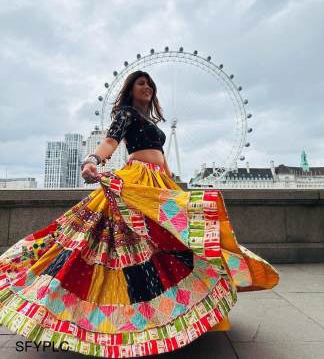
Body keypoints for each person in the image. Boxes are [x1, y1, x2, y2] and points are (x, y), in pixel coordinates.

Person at [0, 70, 280, 358]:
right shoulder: (127, 114)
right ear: (130, 90)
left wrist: (175, 189)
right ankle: (118, 320)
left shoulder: (151, 122)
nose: (147, 87)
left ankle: (172, 313)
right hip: (137, 182)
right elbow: (110, 141)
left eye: (149, 83)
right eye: (141, 83)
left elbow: (161, 155)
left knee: (174, 244)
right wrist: (93, 159)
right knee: (125, 248)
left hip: (158, 183)